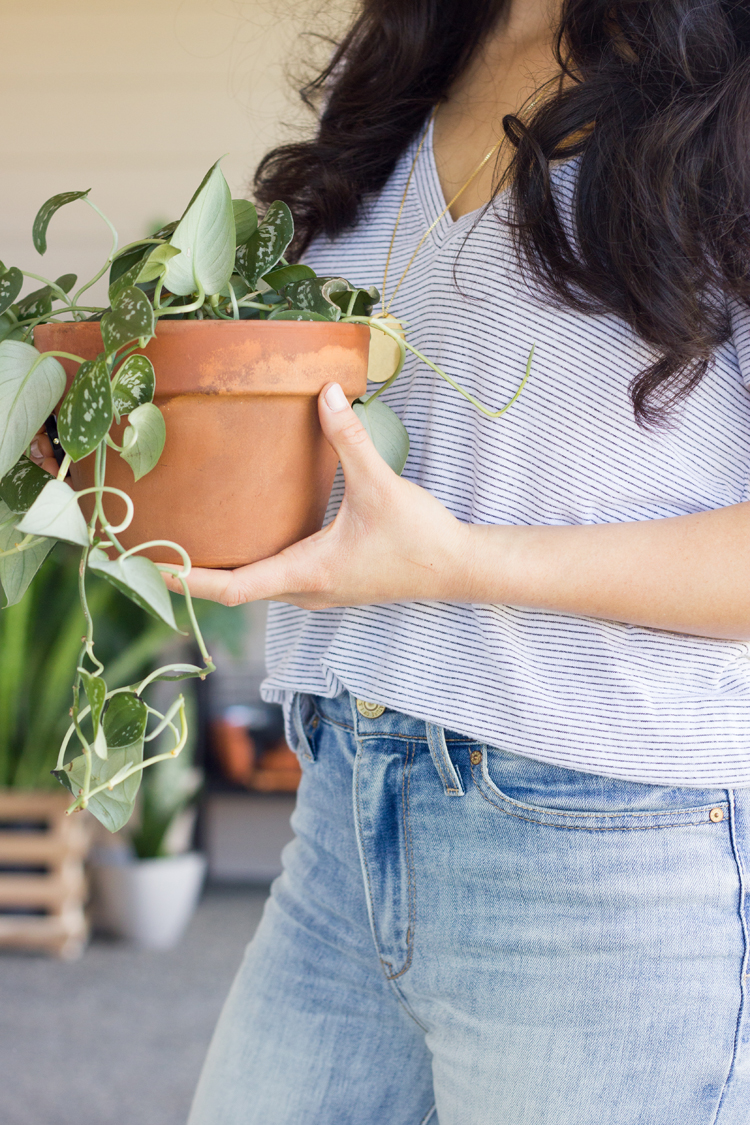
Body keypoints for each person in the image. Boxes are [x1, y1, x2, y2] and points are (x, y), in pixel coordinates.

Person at [33, 0, 750, 1121]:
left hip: (601, 855)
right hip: (345, 812)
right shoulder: (408, 61)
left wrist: (459, 562)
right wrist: (116, 420)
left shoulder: (728, 92)